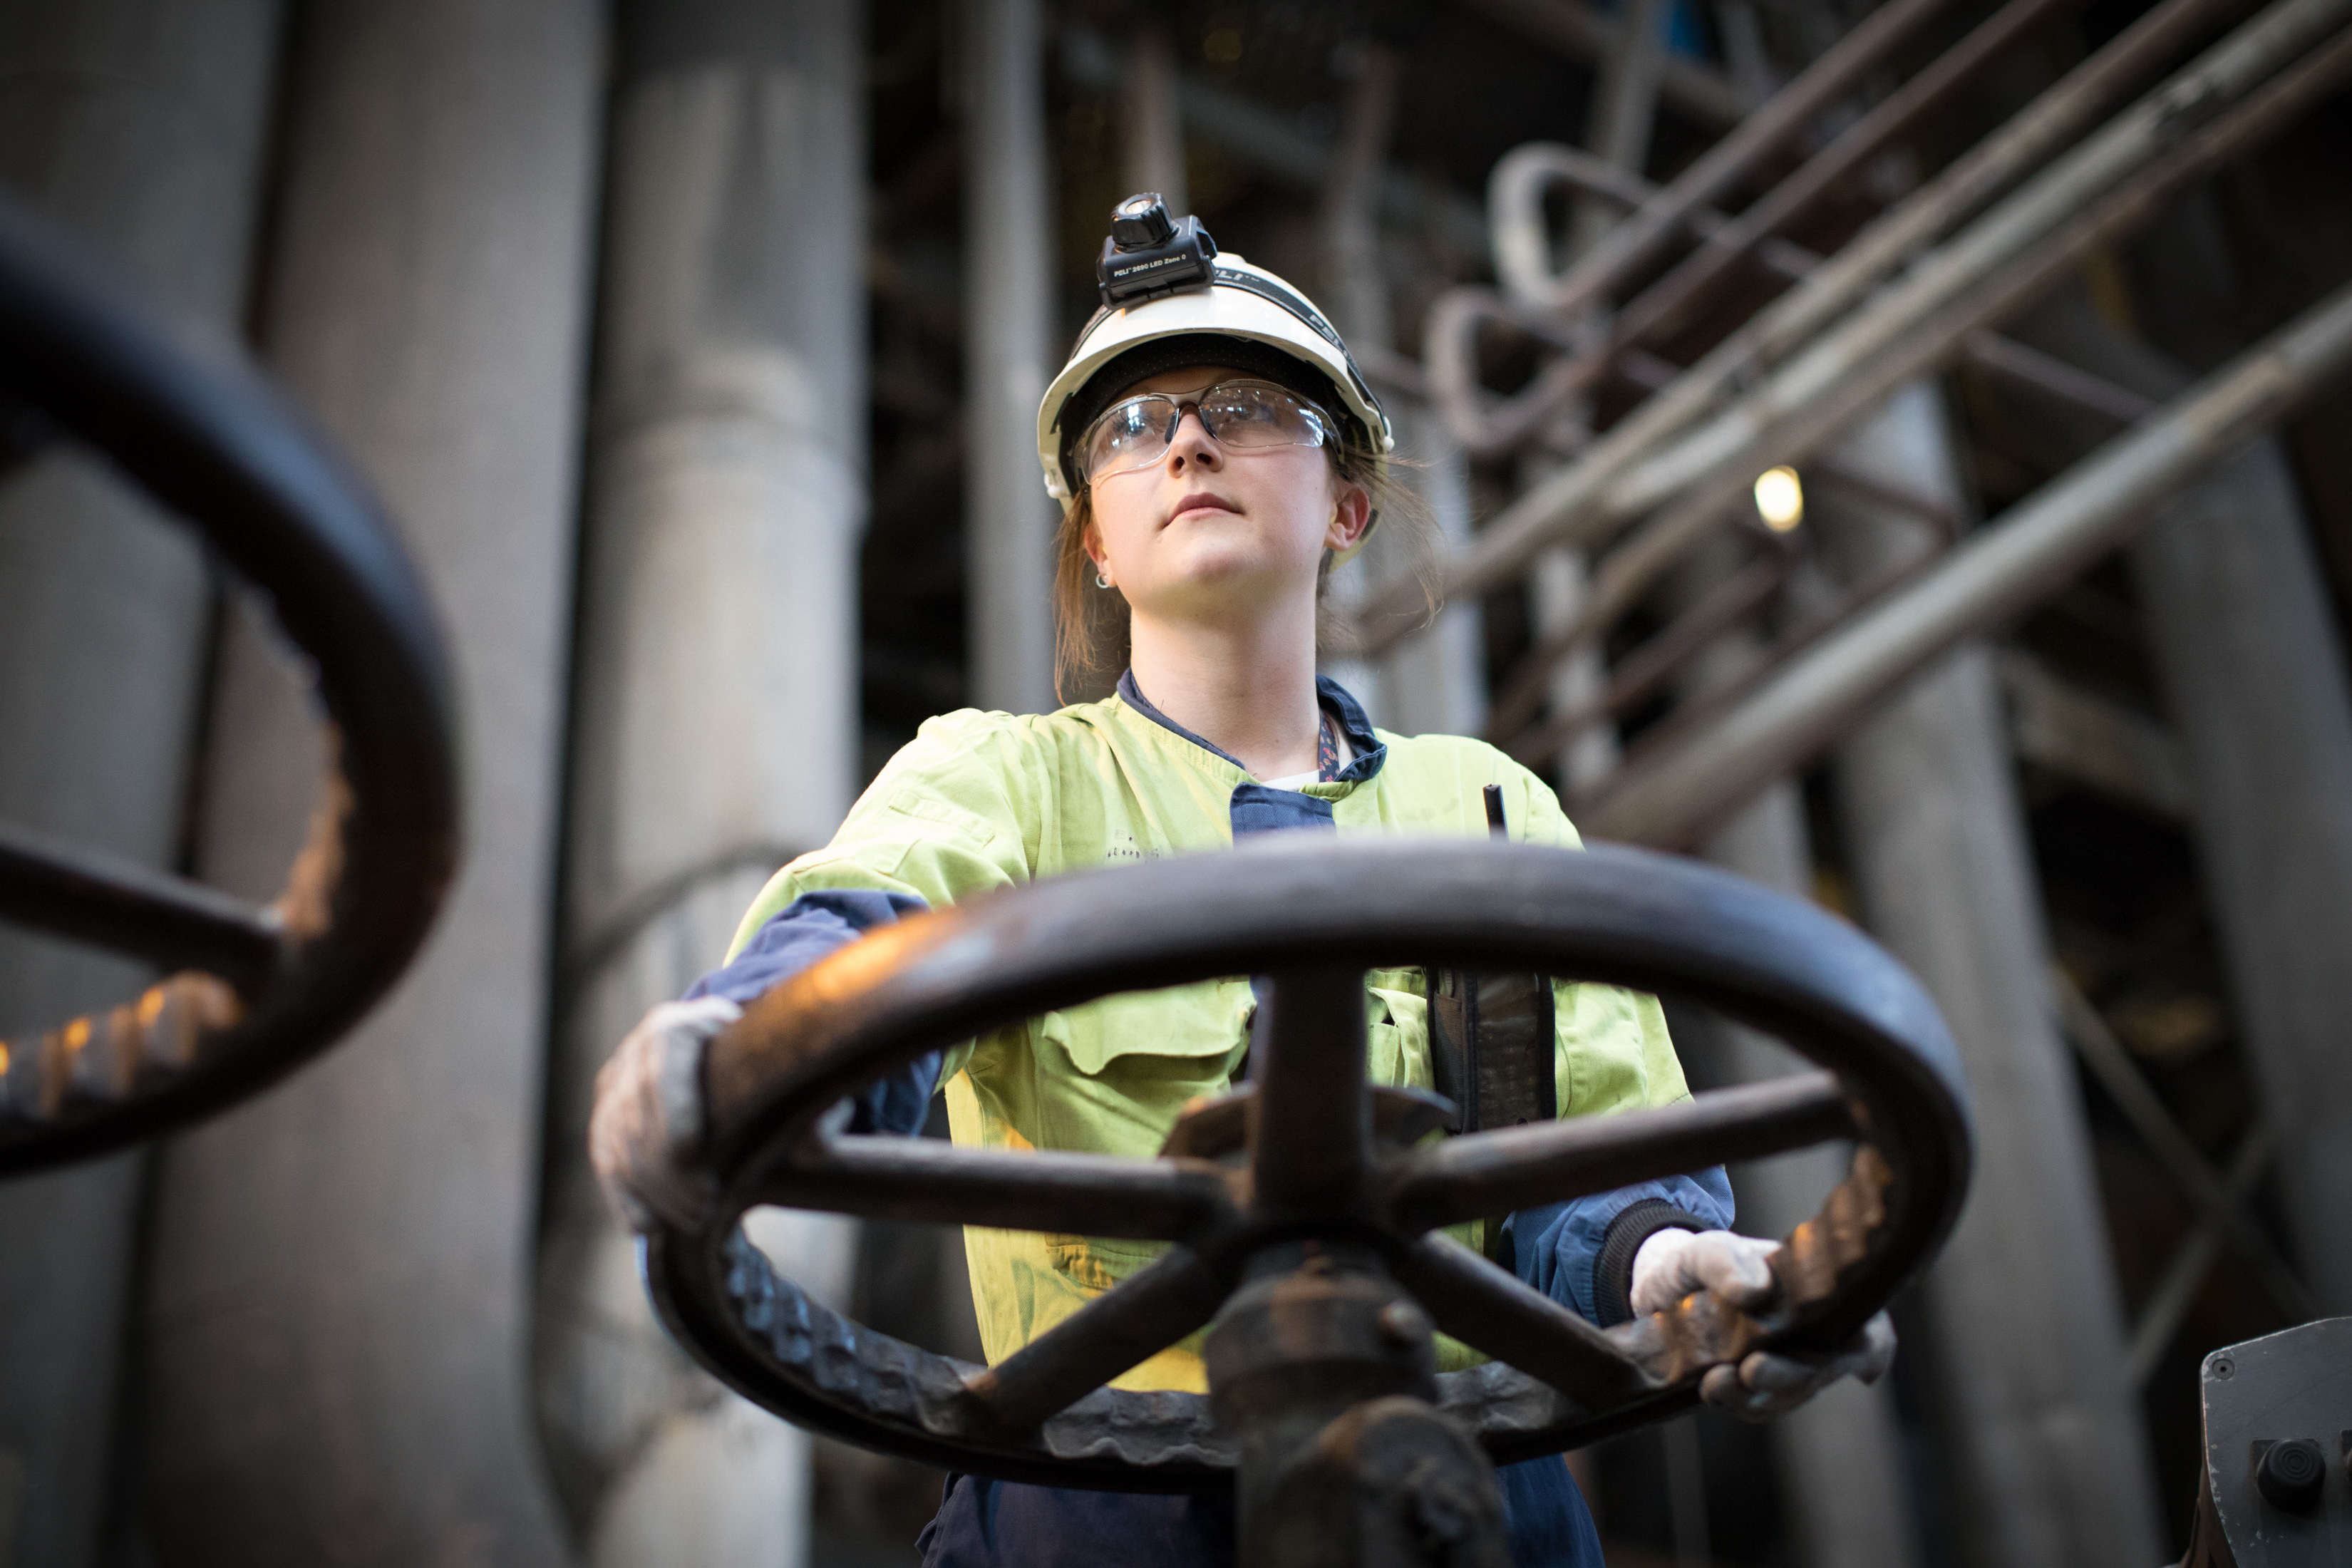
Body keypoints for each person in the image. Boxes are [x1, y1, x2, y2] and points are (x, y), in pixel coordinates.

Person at [591, 197, 1894, 1568]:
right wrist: (738, 1054)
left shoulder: (1489, 810)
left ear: (1345, 504)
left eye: (1244, 406)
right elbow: (858, 940)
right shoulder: (1007, 785)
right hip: (1097, 1516)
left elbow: (1591, 1172)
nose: (1189, 441)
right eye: (1134, 430)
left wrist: (1676, 1274)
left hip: (1466, 1500)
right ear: (1098, 536)